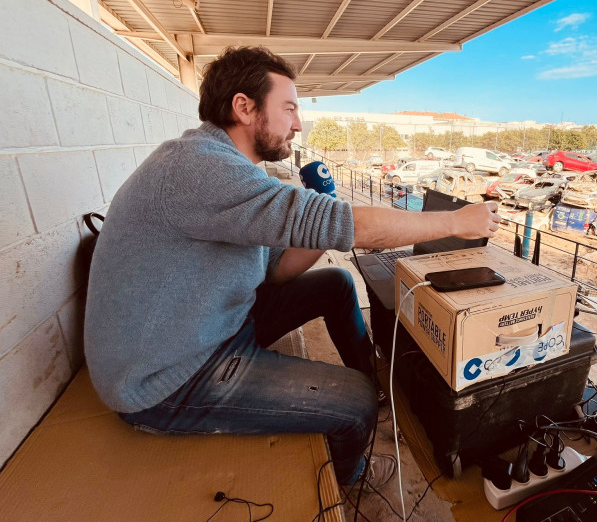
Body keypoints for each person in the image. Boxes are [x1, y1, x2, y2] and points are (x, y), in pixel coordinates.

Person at [84, 46, 500, 488]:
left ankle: (370, 381)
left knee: (337, 282)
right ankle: (353, 469)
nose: (298, 123)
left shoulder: (228, 168)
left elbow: (276, 271)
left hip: (212, 325)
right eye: (289, 108)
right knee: (354, 404)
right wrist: (457, 220)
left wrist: (324, 221)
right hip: (168, 377)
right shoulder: (197, 168)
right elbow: (349, 227)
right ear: (243, 108)